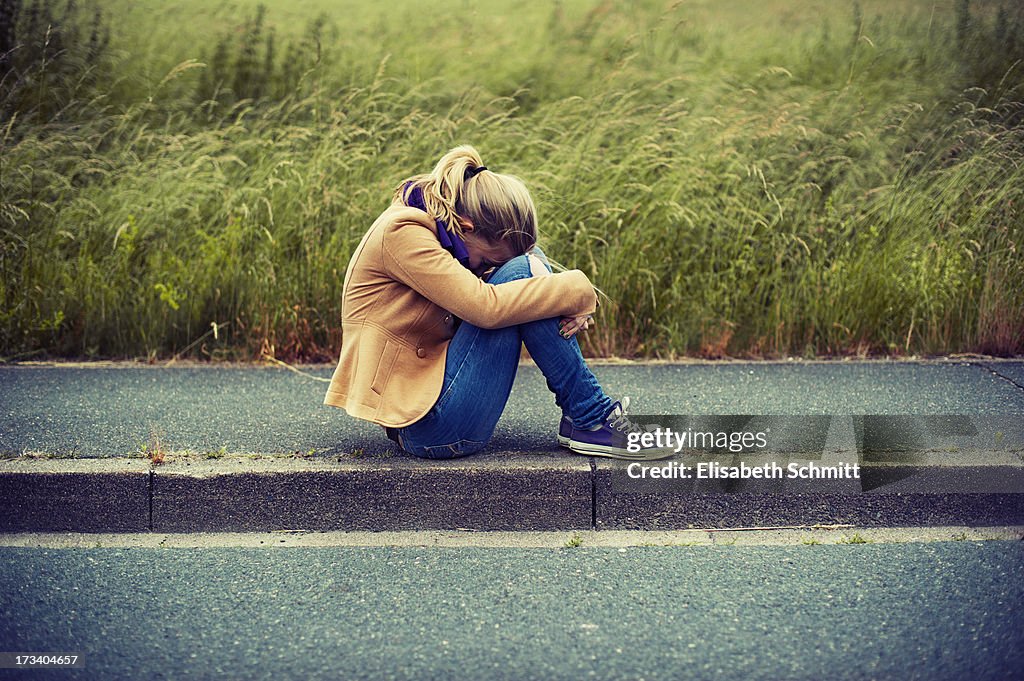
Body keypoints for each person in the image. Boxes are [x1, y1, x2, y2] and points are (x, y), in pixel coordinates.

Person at [323, 145, 673, 460]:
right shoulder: (403, 233)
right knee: (523, 275)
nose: (485, 269)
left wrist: (548, 287)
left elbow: (512, 286)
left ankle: (586, 417)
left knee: (529, 270)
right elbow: (486, 308)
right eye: (486, 260)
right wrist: (578, 289)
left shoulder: (437, 226)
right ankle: (589, 418)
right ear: (467, 226)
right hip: (428, 427)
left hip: (432, 400)